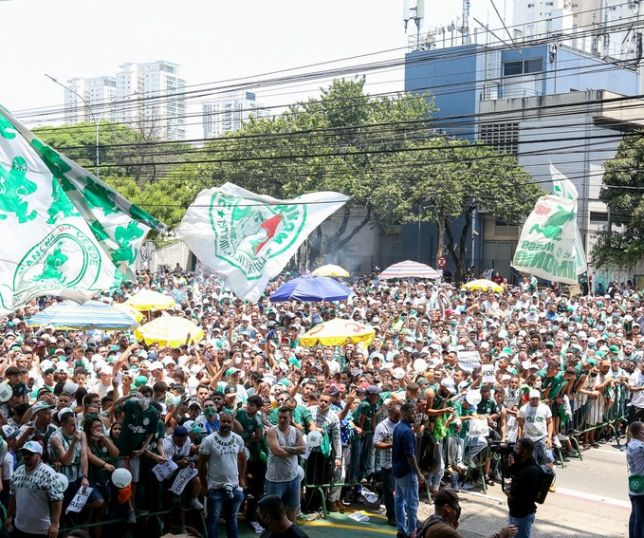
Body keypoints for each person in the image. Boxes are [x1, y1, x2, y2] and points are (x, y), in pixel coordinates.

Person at [198, 412, 247, 538]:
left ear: (232, 423)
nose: (226, 424)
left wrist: (241, 478)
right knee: (213, 520)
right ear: (219, 422)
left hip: (235, 488)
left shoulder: (238, 439)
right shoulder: (209, 440)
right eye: (223, 421)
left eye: (228, 422)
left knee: (232, 519)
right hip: (215, 488)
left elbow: (243, 458)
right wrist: (204, 486)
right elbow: (201, 464)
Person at [6, 440, 64, 538]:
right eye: (24, 453)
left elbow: (57, 500)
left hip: (41, 530)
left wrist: (55, 524)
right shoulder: (18, 472)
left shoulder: (49, 473)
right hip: (19, 527)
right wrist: (9, 516)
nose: (26, 456)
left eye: (30, 453)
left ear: (39, 455)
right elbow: (13, 496)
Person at [420, 487, 517, 538]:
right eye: (457, 504)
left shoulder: (431, 519)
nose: (458, 508)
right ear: (447, 508)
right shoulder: (443, 530)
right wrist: (500, 535)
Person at [265, 406, 305, 523]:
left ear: (290, 418)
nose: (282, 420)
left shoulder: (296, 431)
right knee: (273, 513)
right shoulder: (272, 431)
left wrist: (285, 448)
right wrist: (294, 450)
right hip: (275, 479)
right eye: (280, 417)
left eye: (285, 417)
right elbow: (277, 452)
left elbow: (303, 450)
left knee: (291, 510)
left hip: (293, 478)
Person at [392, 403, 423, 538]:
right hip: (407, 471)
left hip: (397, 470)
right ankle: (412, 531)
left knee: (399, 500)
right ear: (404, 414)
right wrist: (418, 473)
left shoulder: (398, 428)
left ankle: (401, 529)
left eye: (415, 412)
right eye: (412, 413)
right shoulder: (407, 432)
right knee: (412, 502)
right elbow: (410, 455)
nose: (415, 415)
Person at [506, 438, 542, 538]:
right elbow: (507, 474)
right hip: (514, 513)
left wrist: (510, 493)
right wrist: (512, 464)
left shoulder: (531, 471)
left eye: (517, 449)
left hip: (522, 515)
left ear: (524, 451)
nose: (515, 452)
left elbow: (517, 493)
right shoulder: (522, 464)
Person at [374, 404, 400, 526]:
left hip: (401, 462)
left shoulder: (401, 423)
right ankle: (392, 516)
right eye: (396, 416)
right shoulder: (382, 426)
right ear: (390, 413)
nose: (398, 418)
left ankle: (399, 514)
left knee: (400, 491)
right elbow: (376, 443)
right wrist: (392, 445)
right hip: (387, 464)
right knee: (390, 491)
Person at [627, 421, 644, 538]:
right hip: (641, 485)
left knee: (634, 516)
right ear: (640, 433)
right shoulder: (640, 447)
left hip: (634, 482)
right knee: (640, 519)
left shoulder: (630, 445)